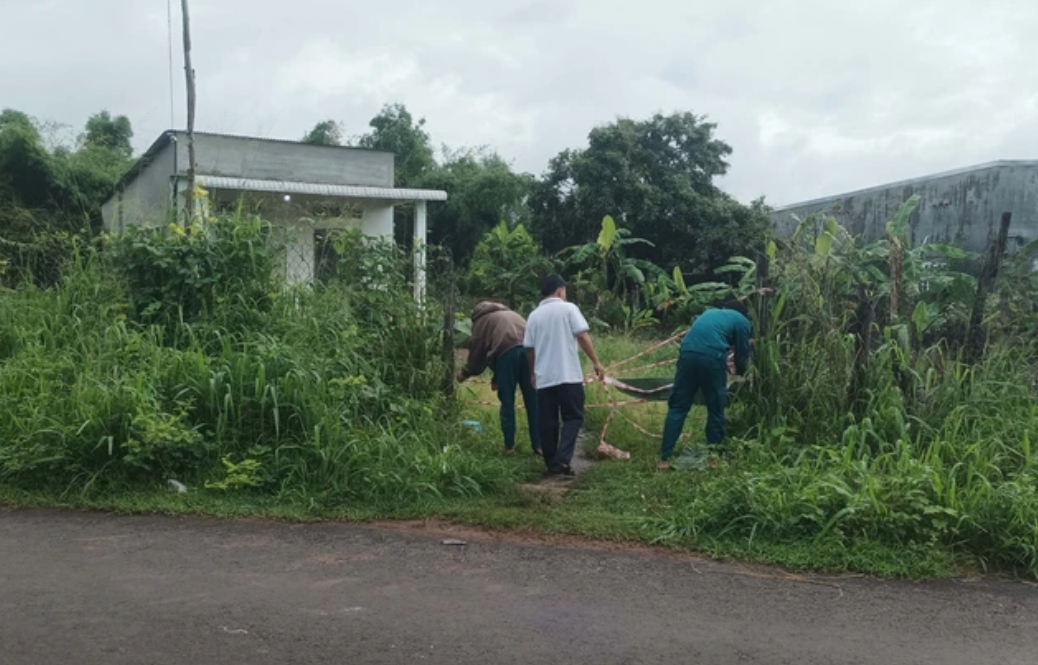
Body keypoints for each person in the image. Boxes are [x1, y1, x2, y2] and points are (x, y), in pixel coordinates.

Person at [524, 275, 605, 478]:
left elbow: (530, 349)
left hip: (544, 378)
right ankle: (563, 459)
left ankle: (552, 463)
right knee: (573, 417)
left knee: (548, 421)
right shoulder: (568, 309)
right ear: (560, 291)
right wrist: (596, 361)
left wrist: (533, 372)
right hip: (568, 375)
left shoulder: (534, 315)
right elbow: (582, 335)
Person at [657, 298, 753, 470]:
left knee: (678, 406)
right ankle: (713, 457)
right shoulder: (742, 321)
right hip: (712, 357)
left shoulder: (710, 313)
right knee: (716, 408)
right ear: (743, 313)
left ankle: (664, 459)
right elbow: (742, 355)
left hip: (686, 354)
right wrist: (743, 374)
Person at [457, 300, 541, 456]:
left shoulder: (482, 321)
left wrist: (465, 373)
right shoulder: (512, 314)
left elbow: (478, 354)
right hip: (530, 352)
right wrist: (497, 377)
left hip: (507, 354)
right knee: (533, 399)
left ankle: (509, 446)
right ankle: (539, 445)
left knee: (507, 400)